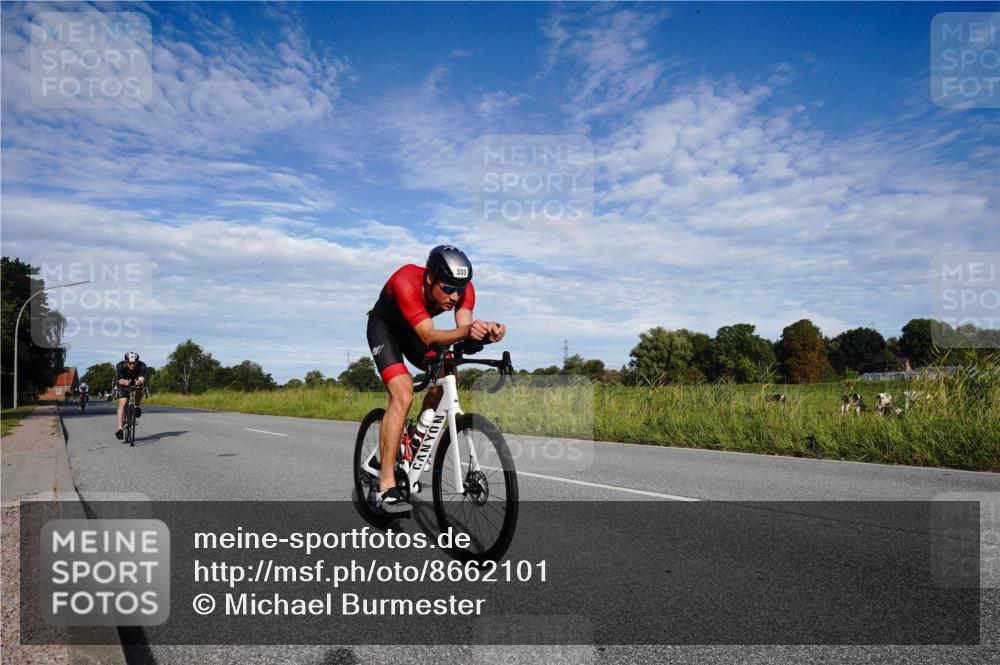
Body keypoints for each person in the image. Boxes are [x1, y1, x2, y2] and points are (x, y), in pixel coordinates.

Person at [367, 245, 506, 513]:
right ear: (430, 278)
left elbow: (462, 329)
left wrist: (484, 333)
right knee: (403, 394)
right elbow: (430, 336)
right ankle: (386, 485)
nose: (455, 296)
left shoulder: (462, 289)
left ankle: (417, 438)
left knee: (448, 372)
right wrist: (466, 331)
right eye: (447, 288)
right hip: (386, 330)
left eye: (460, 290)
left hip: (417, 332)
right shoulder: (406, 280)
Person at [114, 352, 147, 440]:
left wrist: (139, 382)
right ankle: (120, 428)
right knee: (123, 402)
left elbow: (141, 379)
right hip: (123, 383)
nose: (132, 365)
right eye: (130, 363)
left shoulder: (142, 365)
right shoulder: (120, 366)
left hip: (136, 382)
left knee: (140, 390)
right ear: (125, 361)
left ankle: (137, 405)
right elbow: (120, 380)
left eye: (134, 363)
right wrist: (125, 382)